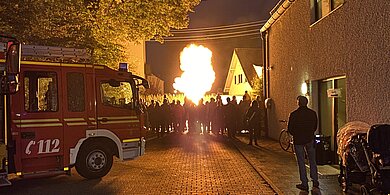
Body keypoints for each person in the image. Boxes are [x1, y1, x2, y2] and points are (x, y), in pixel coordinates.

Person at [288, 95, 319, 192]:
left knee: (301, 161)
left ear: (298, 103)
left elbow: (290, 129)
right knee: (312, 160)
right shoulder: (312, 113)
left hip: (298, 140)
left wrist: (296, 134)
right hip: (310, 139)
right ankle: (315, 180)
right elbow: (315, 126)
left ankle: (304, 183)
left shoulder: (294, 114)